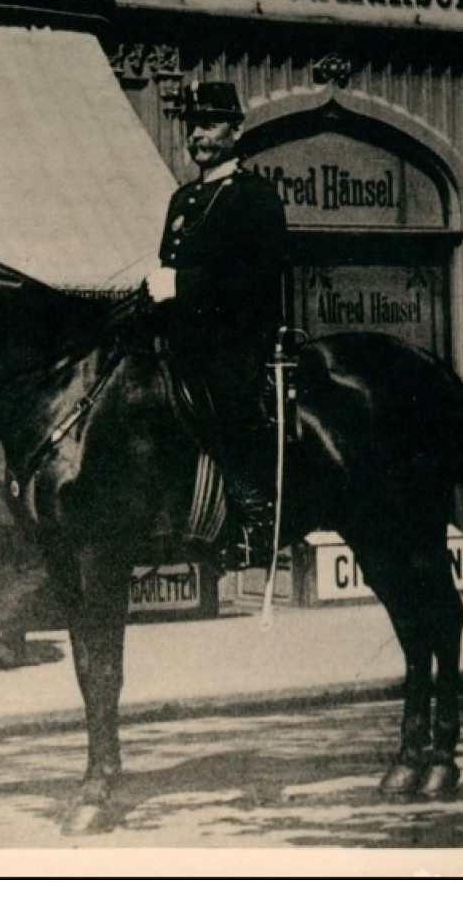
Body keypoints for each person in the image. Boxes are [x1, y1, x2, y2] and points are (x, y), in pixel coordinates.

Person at [145, 80, 289, 570]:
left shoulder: (255, 196)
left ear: (236, 129)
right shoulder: (183, 199)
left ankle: (251, 516)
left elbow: (256, 276)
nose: (197, 135)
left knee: (221, 400)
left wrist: (180, 286)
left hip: (235, 344)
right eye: (192, 126)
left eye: (209, 124)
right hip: (181, 341)